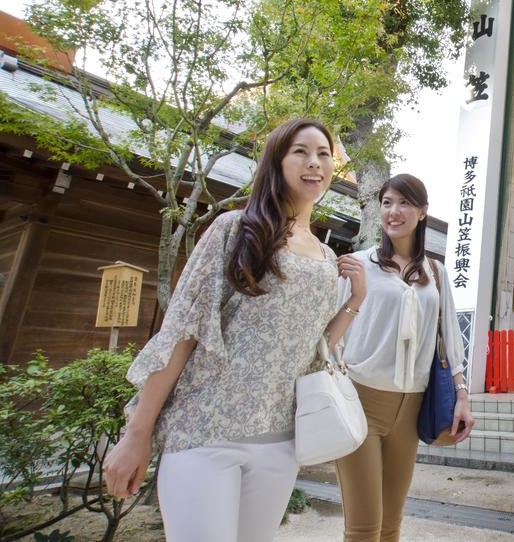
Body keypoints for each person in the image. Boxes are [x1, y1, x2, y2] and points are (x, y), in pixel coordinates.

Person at [103, 118, 358, 542]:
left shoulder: (328, 258)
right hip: (204, 434)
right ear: (276, 162)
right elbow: (183, 331)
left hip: (280, 445)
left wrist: (354, 302)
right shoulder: (237, 230)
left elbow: (314, 354)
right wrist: (137, 433)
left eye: (324, 154)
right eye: (301, 151)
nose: (315, 162)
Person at [331, 173, 473, 542]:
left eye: (405, 203)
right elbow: (330, 334)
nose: (394, 212)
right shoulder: (357, 264)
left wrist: (462, 394)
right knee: (363, 527)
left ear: (423, 212)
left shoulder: (437, 274)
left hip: (411, 407)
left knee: (391, 524)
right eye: (387, 203)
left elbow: (450, 339)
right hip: (360, 399)